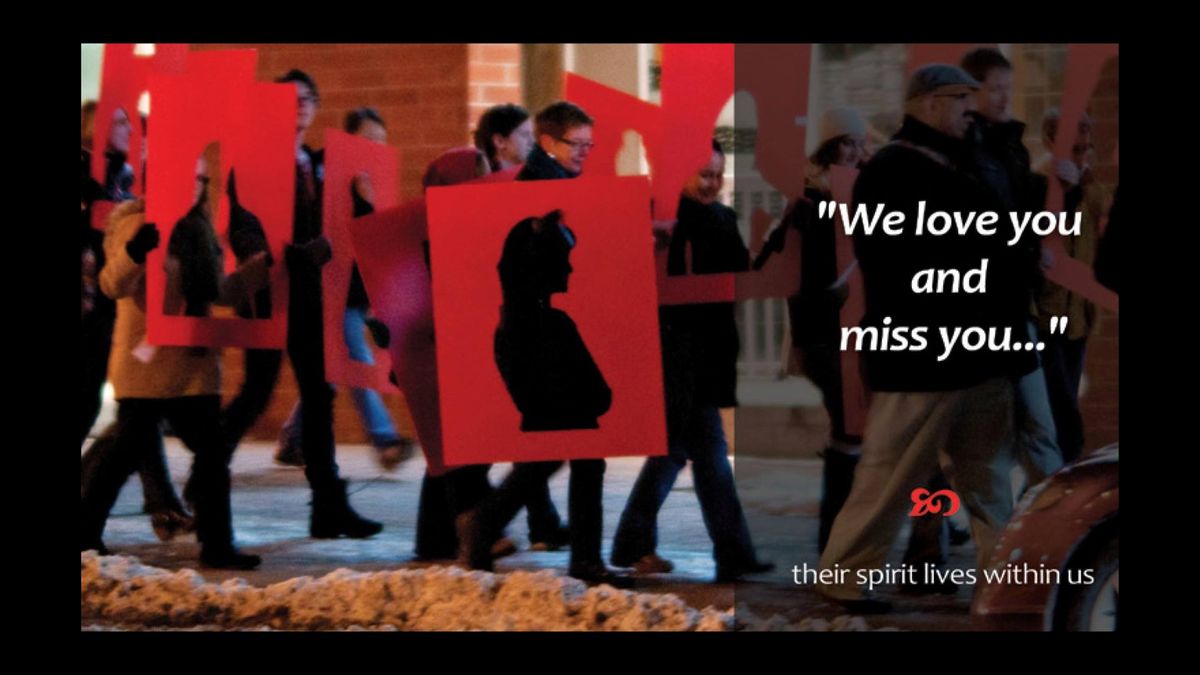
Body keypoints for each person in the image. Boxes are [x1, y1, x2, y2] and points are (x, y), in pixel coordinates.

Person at [815, 65, 1035, 613]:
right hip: (924, 356)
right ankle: (843, 576)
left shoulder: (966, 161)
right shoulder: (893, 171)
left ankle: (1003, 582)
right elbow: (898, 260)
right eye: (963, 100)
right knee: (890, 474)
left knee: (986, 480)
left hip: (976, 353)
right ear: (932, 103)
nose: (973, 110)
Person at [80, 148, 270, 569]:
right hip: (147, 367)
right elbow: (112, 285)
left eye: (203, 180)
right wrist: (136, 250)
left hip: (194, 366)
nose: (197, 187)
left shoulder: (201, 229)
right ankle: (84, 535)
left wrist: (259, 272)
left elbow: (218, 291)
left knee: (213, 453)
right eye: (190, 178)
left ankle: (218, 545)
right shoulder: (135, 220)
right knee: (120, 457)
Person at [610, 140, 774, 582]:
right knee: (710, 453)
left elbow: (740, 276)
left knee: (672, 453)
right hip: (676, 352)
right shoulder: (659, 221)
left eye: (718, 175)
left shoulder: (722, 217)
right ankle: (732, 552)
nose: (713, 184)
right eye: (705, 174)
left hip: (712, 349)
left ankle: (633, 543)